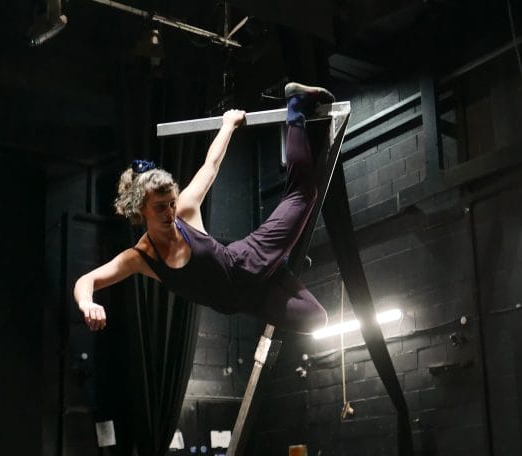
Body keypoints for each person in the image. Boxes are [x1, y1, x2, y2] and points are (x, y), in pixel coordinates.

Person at [73, 83, 333, 334]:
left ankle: (296, 107)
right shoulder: (140, 257)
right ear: (141, 210)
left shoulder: (185, 210)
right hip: (246, 301)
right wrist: (87, 303)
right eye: (160, 207)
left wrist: (227, 126)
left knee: (304, 194)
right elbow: (87, 280)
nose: (170, 212)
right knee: (316, 320)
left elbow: (211, 165)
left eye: (171, 203)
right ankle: (279, 263)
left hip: (248, 261)